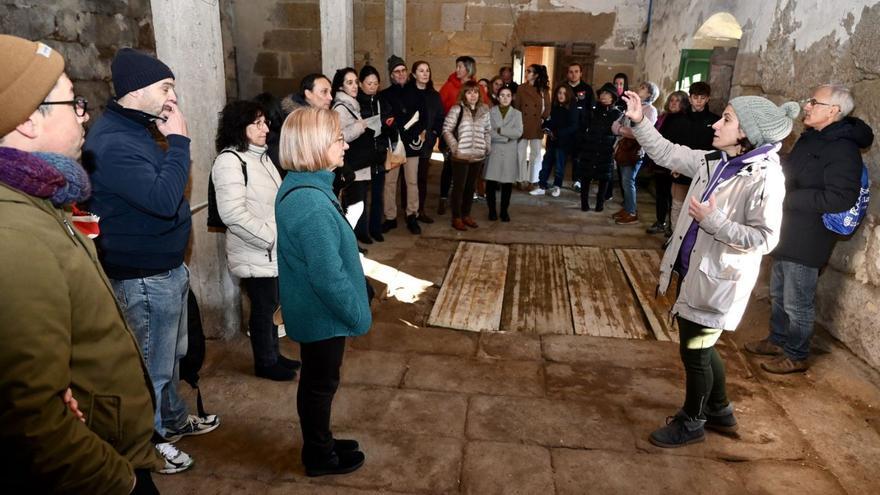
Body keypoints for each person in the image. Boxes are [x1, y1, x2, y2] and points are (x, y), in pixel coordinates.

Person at [0, 34, 165, 494]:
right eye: (73, 102)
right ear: (30, 121)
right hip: (102, 469)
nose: (84, 113)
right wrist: (119, 481)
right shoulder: (13, 234)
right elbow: (31, 416)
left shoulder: (44, 198)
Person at [621, 89, 798, 448]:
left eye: (728, 119)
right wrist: (640, 122)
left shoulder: (763, 177)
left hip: (719, 278)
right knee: (702, 344)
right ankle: (719, 409)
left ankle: (693, 421)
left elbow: (765, 239)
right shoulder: (715, 161)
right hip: (694, 272)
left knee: (696, 350)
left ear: (747, 133)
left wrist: (714, 221)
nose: (717, 123)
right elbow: (668, 152)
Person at [84, 47, 221, 471]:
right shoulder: (113, 142)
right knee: (151, 369)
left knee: (173, 354)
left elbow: (158, 191)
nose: (172, 98)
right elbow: (164, 200)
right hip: (142, 276)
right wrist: (179, 141)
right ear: (136, 90)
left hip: (162, 268)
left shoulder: (136, 131)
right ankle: (150, 442)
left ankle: (175, 419)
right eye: (166, 88)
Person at [745, 84, 874, 373]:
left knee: (796, 301)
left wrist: (789, 198)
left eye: (813, 102)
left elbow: (842, 197)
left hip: (810, 235)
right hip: (788, 228)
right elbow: (795, 171)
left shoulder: (843, 148)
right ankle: (778, 339)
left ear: (832, 111)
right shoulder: (811, 138)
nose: (806, 105)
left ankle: (797, 353)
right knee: (778, 292)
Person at [275, 107, 371, 477]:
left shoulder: (308, 185)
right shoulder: (311, 203)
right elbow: (328, 277)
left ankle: (322, 442)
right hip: (321, 313)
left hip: (313, 309)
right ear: (314, 146)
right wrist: (357, 314)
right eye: (337, 138)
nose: (345, 145)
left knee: (318, 382)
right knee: (320, 385)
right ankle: (318, 455)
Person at [212, 100, 300, 381]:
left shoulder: (260, 156)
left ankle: (274, 354)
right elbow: (233, 214)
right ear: (241, 127)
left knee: (272, 305)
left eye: (265, 122)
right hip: (256, 250)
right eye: (258, 123)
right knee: (263, 309)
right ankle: (265, 362)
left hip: (270, 250)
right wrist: (272, 239)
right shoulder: (230, 161)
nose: (266, 128)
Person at [437, 56, 489, 215]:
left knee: (468, 176)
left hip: (472, 136)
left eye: (460, 66)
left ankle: (463, 208)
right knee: (448, 168)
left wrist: (485, 144)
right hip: (453, 133)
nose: (457, 69)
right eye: (457, 66)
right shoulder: (449, 85)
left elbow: (484, 108)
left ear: (468, 68)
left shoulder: (476, 87)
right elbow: (440, 108)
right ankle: (444, 198)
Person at [380, 55, 422, 235]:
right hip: (394, 144)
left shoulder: (417, 92)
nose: (401, 74)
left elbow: (422, 117)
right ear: (391, 75)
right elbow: (388, 120)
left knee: (412, 181)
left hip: (411, 144)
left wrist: (412, 133)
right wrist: (399, 128)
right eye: (397, 71)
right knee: (390, 182)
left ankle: (412, 215)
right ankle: (390, 217)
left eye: (403, 70)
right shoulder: (385, 95)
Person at [442, 80, 491, 231]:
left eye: (475, 92)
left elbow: (488, 130)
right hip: (460, 156)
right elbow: (446, 129)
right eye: (469, 92)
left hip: (477, 156)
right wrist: (456, 147)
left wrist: (486, 146)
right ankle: (456, 217)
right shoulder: (457, 109)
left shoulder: (484, 109)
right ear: (464, 94)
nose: (473, 95)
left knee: (470, 188)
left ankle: (466, 214)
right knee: (459, 187)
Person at [670, 82, 720, 228]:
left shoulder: (715, 121)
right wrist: (674, 165)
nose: (698, 101)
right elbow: (673, 145)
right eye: (695, 97)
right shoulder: (678, 120)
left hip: (705, 170)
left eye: (702, 97)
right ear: (690, 99)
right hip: (681, 167)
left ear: (707, 99)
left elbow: (716, 147)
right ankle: (674, 236)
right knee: (677, 205)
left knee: (698, 207)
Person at [331, 67, 371, 240]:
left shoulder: (352, 104)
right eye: (350, 82)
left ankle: (356, 237)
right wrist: (360, 127)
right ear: (341, 87)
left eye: (356, 82)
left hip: (359, 161)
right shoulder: (340, 107)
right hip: (352, 162)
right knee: (353, 205)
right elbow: (339, 135)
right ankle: (350, 240)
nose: (355, 86)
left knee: (359, 203)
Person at [613, 81, 660, 225]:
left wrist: (621, 130)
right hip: (624, 147)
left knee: (628, 181)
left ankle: (632, 212)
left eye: (643, 88)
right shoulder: (634, 106)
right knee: (624, 180)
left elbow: (640, 133)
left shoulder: (650, 110)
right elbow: (615, 124)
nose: (639, 88)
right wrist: (620, 129)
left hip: (635, 150)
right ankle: (627, 208)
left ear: (650, 94)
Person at [644, 90, 690, 236]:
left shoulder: (685, 120)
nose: (674, 103)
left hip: (675, 163)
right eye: (672, 100)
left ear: (683, 104)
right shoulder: (664, 117)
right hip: (661, 163)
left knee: (674, 198)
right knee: (661, 194)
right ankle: (660, 222)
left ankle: (672, 226)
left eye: (677, 100)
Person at [356, 65, 390, 242]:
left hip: (379, 151)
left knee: (378, 193)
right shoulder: (356, 103)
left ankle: (375, 228)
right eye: (369, 83)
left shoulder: (381, 100)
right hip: (362, 154)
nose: (372, 87)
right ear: (361, 84)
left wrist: (386, 124)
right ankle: (362, 231)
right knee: (360, 195)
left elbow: (388, 120)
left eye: (376, 83)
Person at [408, 61, 444, 224]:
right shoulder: (408, 93)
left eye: (427, 70)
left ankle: (420, 209)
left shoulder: (434, 95)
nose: (425, 73)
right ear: (414, 74)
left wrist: (433, 134)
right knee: (409, 179)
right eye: (421, 71)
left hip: (427, 142)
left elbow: (439, 118)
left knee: (422, 177)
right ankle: (409, 211)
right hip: (410, 141)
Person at [578, 83, 622, 212]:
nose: (603, 96)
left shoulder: (617, 114)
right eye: (602, 93)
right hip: (590, 148)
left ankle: (600, 204)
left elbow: (619, 133)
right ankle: (584, 204)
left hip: (606, 150)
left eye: (607, 94)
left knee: (604, 177)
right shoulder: (593, 111)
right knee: (585, 176)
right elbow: (583, 128)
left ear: (613, 97)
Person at [484, 86, 523, 221]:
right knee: (491, 183)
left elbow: (518, 132)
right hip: (494, 151)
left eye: (508, 95)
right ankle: (492, 210)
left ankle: (504, 211)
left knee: (507, 184)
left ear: (512, 98)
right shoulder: (490, 112)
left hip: (509, 153)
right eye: (502, 95)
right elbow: (488, 132)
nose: (505, 98)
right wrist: (506, 136)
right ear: (497, 97)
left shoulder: (517, 114)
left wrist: (500, 130)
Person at [532, 85, 578, 197]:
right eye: (559, 93)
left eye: (564, 93)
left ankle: (557, 187)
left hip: (563, 142)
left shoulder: (572, 109)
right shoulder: (555, 107)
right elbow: (550, 121)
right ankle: (542, 186)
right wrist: (545, 127)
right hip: (552, 141)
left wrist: (558, 133)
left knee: (559, 166)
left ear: (568, 95)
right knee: (546, 163)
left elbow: (573, 126)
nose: (561, 95)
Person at [514, 64, 551, 186]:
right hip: (522, 123)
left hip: (536, 124)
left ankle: (533, 179)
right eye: (526, 71)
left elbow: (548, 107)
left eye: (529, 71)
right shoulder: (521, 88)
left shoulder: (543, 90)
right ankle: (520, 179)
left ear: (536, 75)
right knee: (520, 153)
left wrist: (543, 119)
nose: (526, 73)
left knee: (536, 153)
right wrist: (518, 123)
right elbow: (517, 107)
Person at [566, 63, 594, 191]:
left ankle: (577, 180)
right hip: (565, 127)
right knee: (561, 155)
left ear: (581, 73)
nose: (573, 74)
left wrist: (589, 126)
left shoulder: (587, 89)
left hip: (581, 128)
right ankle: (557, 181)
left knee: (578, 156)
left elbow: (591, 108)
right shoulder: (563, 87)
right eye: (571, 71)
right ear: (568, 73)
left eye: (576, 71)